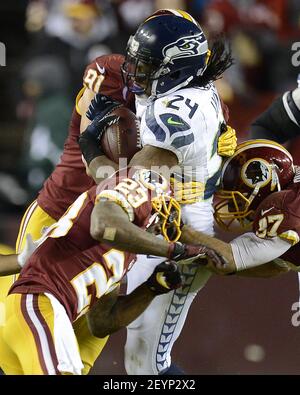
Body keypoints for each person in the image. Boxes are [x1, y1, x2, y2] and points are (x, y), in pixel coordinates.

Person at [79, 9, 235, 374]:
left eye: (147, 65)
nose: (135, 71)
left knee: (147, 362)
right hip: (157, 207)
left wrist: (89, 146)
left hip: (179, 223)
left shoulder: (180, 114)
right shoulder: (182, 85)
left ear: (176, 69)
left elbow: (124, 183)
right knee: (98, 321)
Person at [0, 166, 226, 375]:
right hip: (39, 303)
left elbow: (102, 323)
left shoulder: (126, 252)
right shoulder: (136, 188)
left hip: (40, 316)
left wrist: (151, 288)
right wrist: (176, 250)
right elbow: (103, 226)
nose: (166, 223)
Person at [179, 139, 299, 279]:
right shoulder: (292, 193)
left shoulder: (286, 206)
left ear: (265, 182)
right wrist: (199, 256)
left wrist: (178, 230)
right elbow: (274, 266)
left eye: (239, 198)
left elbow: (229, 260)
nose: (231, 207)